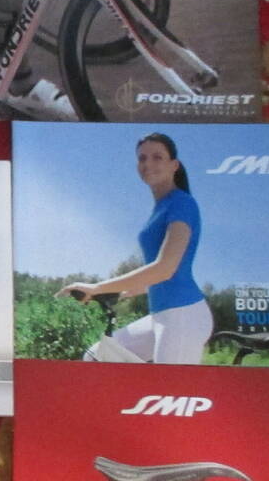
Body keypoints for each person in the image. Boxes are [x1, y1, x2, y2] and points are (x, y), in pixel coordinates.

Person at [60, 132, 213, 365]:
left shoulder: (182, 203)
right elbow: (161, 275)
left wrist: (97, 287)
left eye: (157, 157)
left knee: (170, 385)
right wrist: (126, 291)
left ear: (174, 165)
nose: (148, 164)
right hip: (161, 314)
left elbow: (166, 269)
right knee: (96, 357)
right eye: (142, 158)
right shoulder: (162, 206)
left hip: (183, 315)